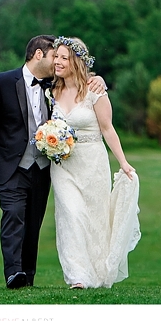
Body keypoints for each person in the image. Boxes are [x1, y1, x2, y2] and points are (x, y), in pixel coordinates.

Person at [0, 35, 107, 289]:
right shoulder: (2, 82)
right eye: (53, 55)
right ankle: (13, 274)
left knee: (33, 224)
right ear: (38, 55)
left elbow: (79, 79)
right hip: (11, 165)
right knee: (13, 216)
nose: (57, 61)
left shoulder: (54, 86)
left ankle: (28, 276)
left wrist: (97, 78)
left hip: (43, 168)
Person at [49, 36, 141, 289]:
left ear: (76, 61)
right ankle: (77, 275)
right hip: (63, 165)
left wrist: (123, 162)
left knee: (94, 218)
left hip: (92, 163)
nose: (57, 61)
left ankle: (97, 272)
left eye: (63, 58)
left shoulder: (95, 91)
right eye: (55, 56)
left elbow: (108, 129)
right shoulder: (50, 91)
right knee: (72, 214)